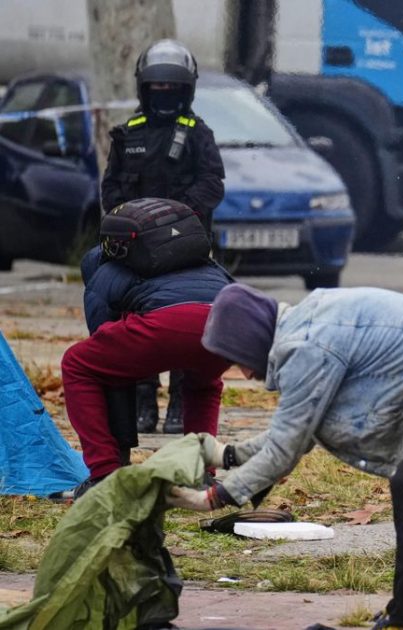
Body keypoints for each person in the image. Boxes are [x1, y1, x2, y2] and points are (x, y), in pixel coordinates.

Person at [166, 283, 403, 630]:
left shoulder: (305, 347)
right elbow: (299, 430)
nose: (244, 373)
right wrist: (228, 455)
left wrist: (214, 498)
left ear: (251, 339)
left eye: (237, 358)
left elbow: (286, 448)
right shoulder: (306, 326)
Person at [101, 39, 225, 435]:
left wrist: (176, 220)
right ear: (144, 88)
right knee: (134, 326)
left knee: (184, 327)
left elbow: (212, 185)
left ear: (187, 90)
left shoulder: (198, 134)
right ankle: (142, 406)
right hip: (135, 253)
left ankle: (178, 407)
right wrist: (134, 225)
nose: (165, 96)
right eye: (158, 89)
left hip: (186, 250)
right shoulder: (126, 134)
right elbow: (111, 193)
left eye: (173, 89)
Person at [61, 240, 233, 496]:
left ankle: (105, 476)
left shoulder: (102, 267)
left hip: (165, 324)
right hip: (224, 322)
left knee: (78, 363)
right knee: (204, 383)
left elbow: (99, 332)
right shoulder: (199, 258)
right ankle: (200, 474)